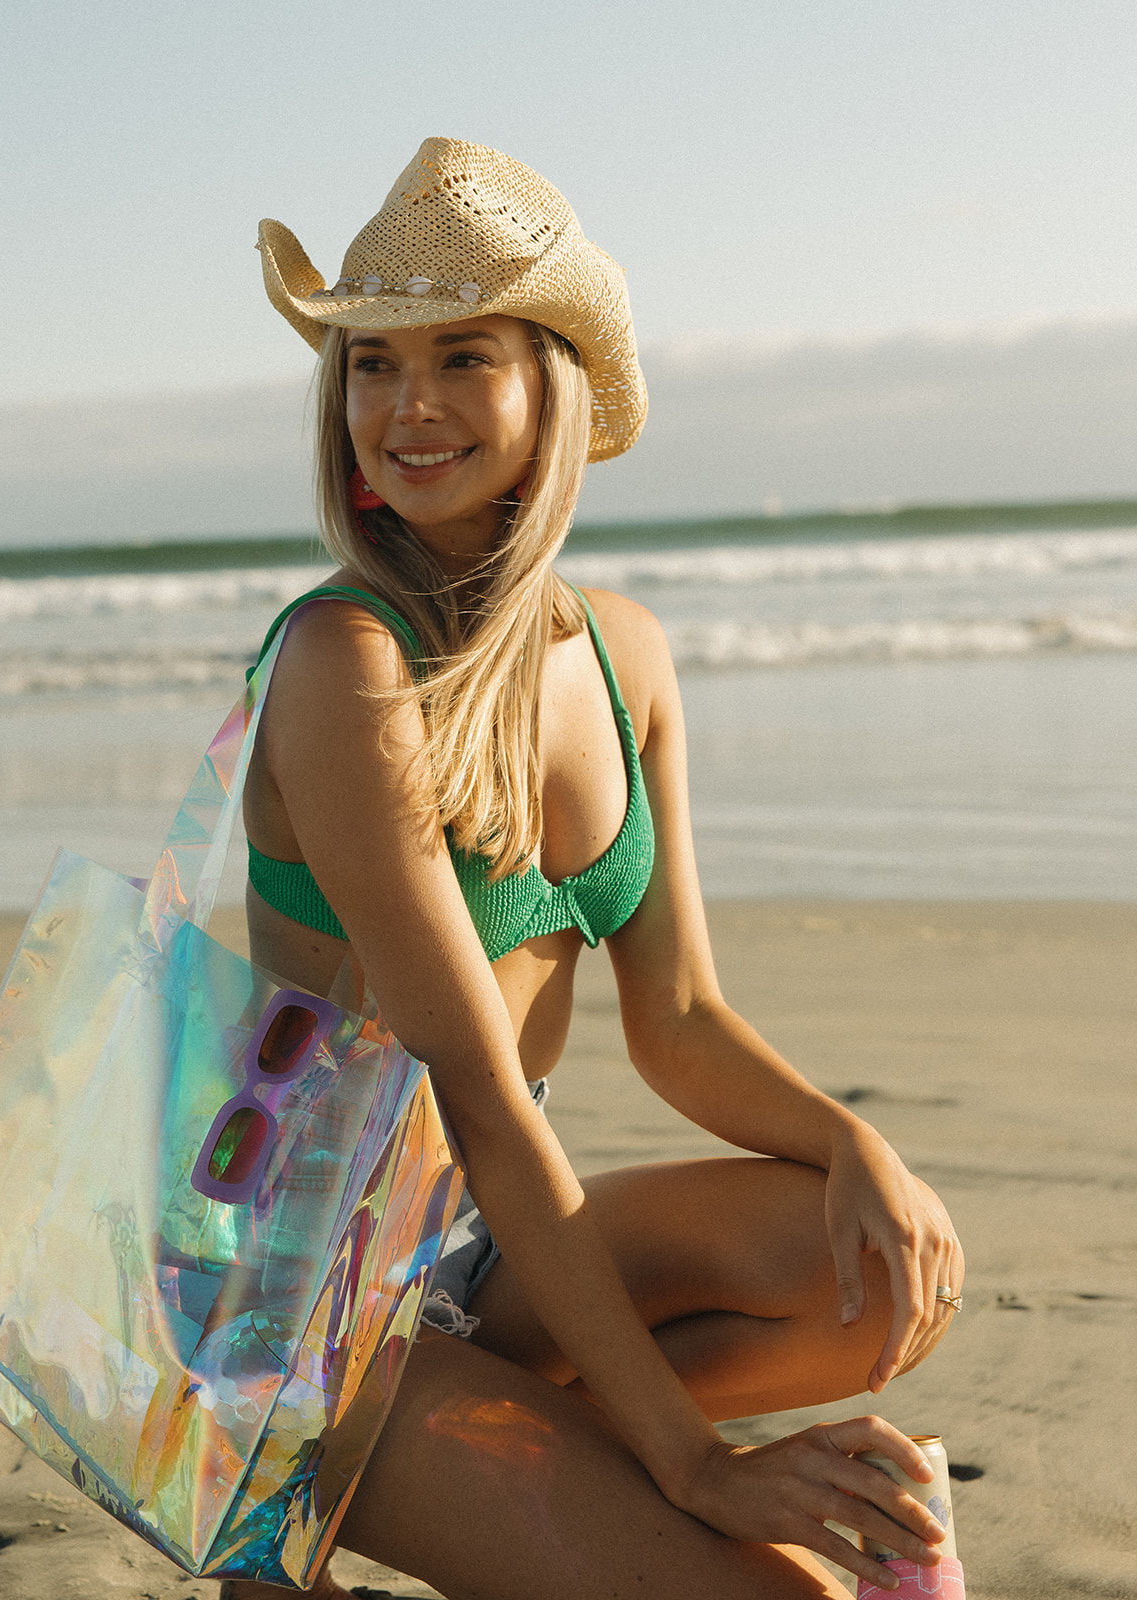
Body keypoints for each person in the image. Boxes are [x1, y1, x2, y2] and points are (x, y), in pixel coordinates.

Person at [228, 139, 965, 1600]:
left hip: (488, 1246)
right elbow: (478, 1088)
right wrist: (696, 1466)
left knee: (870, 1263)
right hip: (306, 1289)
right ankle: (383, 1482)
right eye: (373, 363)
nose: (409, 405)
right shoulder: (344, 662)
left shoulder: (624, 654)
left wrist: (851, 1144)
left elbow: (679, 1017)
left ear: (549, 383)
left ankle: (514, 1464)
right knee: (778, 1593)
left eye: (463, 356)